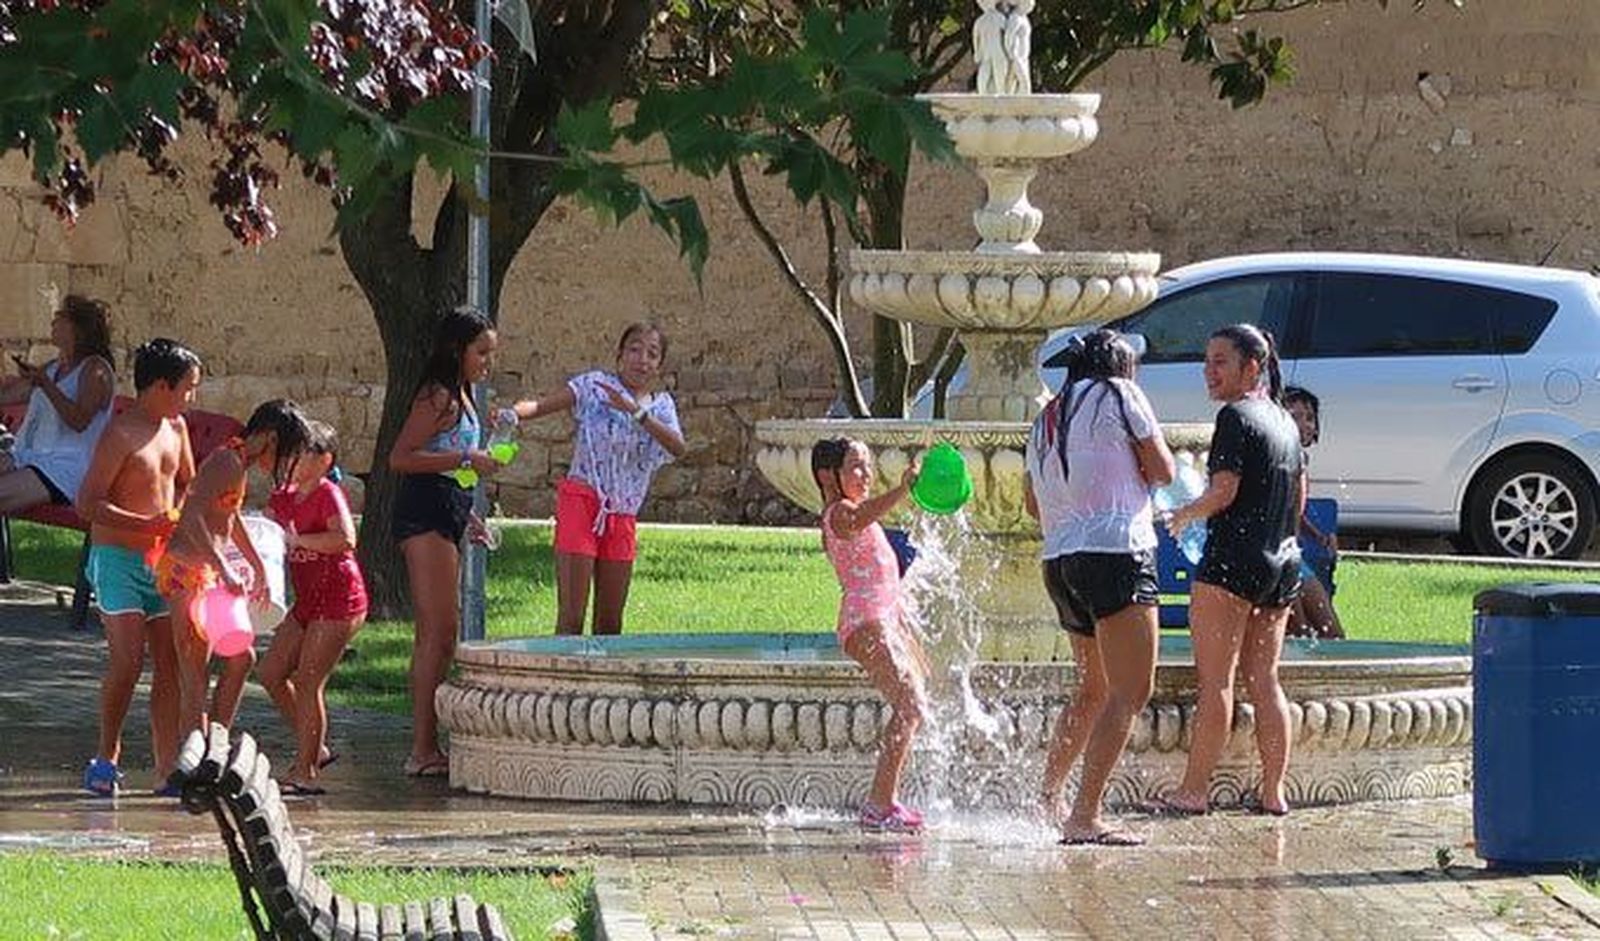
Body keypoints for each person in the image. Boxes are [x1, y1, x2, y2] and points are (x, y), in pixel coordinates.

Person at [1024, 330, 1173, 846]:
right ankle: (1084, 815)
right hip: (1116, 549)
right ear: (1120, 364)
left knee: (1091, 690)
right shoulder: (1120, 393)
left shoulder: (1046, 415)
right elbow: (1163, 469)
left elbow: (1030, 503)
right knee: (1131, 690)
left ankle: (1048, 797)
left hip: (1061, 560)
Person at [1160, 324, 1306, 817]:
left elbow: (1224, 491)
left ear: (1252, 367)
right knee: (1265, 680)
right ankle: (1273, 791)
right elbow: (1300, 497)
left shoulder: (1235, 418)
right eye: (1207, 361)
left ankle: (1194, 790)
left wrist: (1184, 514)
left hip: (1232, 564)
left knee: (1217, 683)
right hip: (1281, 563)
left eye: (1220, 361)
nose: (1209, 371)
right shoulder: (1285, 422)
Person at [75, 338, 202, 796]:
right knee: (128, 662)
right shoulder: (120, 434)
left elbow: (187, 482)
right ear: (162, 386)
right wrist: (145, 523)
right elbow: (87, 503)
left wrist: (179, 521)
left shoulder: (178, 428)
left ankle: (167, 765)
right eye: (189, 388)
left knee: (168, 663)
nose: (192, 397)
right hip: (117, 560)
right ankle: (107, 754)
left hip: (162, 563)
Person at [504, 322, 686, 635]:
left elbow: (677, 447)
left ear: (659, 365)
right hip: (582, 502)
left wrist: (635, 412)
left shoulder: (661, 406)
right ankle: (562, 679)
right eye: (634, 349)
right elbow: (542, 405)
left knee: (610, 624)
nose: (642, 359)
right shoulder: (595, 386)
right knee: (571, 616)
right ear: (619, 355)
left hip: (622, 514)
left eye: (652, 354)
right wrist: (512, 414)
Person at [157, 399, 312, 748]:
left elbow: (228, 516)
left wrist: (256, 565)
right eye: (285, 452)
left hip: (205, 571)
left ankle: (215, 742)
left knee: (242, 657)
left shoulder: (237, 462)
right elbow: (191, 515)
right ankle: (192, 758)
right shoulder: (226, 461)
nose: (284, 463)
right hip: (186, 572)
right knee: (196, 671)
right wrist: (225, 566)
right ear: (270, 438)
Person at [389, 306, 502, 778]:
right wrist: (465, 456)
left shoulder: (464, 395)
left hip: (449, 507)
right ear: (457, 349)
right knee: (437, 633)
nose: (486, 363)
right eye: (481, 352)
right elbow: (401, 457)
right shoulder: (438, 397)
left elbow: (446, 462)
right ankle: (422, 748)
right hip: (425, 512)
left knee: (440, 633)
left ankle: (427, 744)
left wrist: (469, 513)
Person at [811, 437, 930, 833]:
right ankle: (880, 803)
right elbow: (859, 518)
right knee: (909, 705)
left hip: (880, 620)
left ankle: (884, 801)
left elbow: (886, 581)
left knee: (913, 703)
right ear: (829, 476)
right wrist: (902, 489)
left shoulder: (854, 514)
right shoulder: (839, 514)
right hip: (865, 621)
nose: (866, 475)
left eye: (867, 466)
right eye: (855, 467)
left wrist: (906, 632)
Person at [259, 420, 369, 795]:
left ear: (324, 460)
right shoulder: (282, 496)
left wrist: (298, 539)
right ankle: (315, 747)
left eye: (302, 452)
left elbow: (345, 539)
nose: (292, 459)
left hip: (339, 599)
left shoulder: (327, 494)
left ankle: (305, 771)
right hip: (308, 601)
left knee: (308, 681)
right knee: (271, 672)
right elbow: (269, 537)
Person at [0, 294, 116, 513]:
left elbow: (80, 421)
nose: (53, 324)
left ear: (77, 329)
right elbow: (10, 395)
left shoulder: (95, 369)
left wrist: (47, 386)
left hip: (65, 469)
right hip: (28, 455)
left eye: (59, 319)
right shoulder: (54, 367)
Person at [1283, 386, 1344, 640]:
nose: (1305, 424)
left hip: (1294, 559)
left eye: (1309, 417)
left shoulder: (1300, 460)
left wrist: (1318, 535)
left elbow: (1294, 511)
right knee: (1299, 634)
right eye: (1295, 416)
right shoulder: (1279, 460)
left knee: (1332, 635)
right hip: (1278, 561)